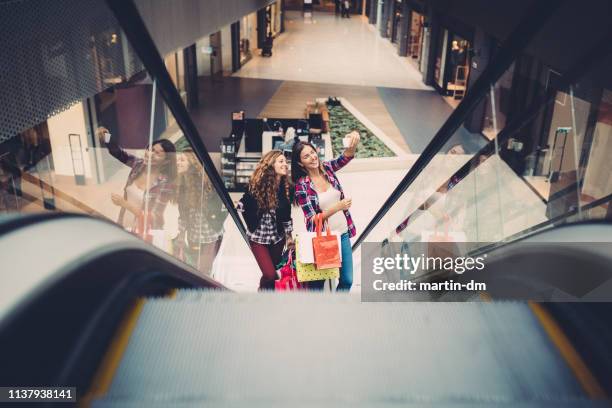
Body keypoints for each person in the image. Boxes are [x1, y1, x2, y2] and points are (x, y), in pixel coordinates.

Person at [292, 130, 360, 291]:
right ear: (301, 163)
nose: (312, 157)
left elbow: (345, 157)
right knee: (318, 284)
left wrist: (353, 142)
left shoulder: (327, 169)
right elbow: (312, 219)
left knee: (347, 280)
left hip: (342, 233)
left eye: (312, 153)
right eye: (306, 156)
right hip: (322, 238)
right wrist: (337, 207)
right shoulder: (302, 186)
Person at [97, 127, 176, 236]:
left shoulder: (165, 185)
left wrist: (124, 204)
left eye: (157, 153)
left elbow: (155, 218)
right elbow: (119, 153)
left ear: (166, 161)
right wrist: (106, 137)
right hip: (124, 223)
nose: (150, 154)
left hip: (143, 231)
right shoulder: (139, 164)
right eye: (151, 149)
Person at [238, 150, 294, 290]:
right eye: (281, 161)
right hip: (258, 238)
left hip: (277, 239)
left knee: (271, 273)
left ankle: (264, 299)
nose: (285, 164)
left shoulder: (286, 188)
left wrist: (289, 238)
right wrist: (237, 205)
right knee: (270, 275)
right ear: (271, 164)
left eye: (285, 162)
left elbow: (287, 217)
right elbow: (245, 201)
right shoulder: (257, 184)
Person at [175, 149, 226, 277]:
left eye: (182, 160)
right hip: (193, 236)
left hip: (210, 235)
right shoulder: (183, 183)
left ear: (192, 162)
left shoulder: (207, 182)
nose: (178, 163)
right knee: (194, 270)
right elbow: (183, 214)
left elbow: (222, 205)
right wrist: (181, 237)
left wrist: (218, 222)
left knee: (203, 271)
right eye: (177, 160)